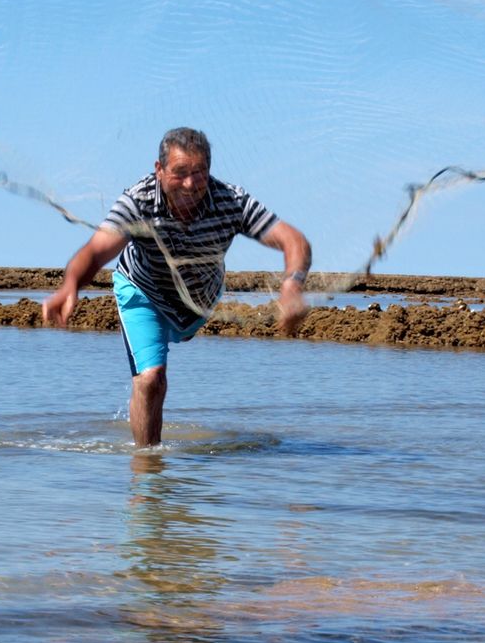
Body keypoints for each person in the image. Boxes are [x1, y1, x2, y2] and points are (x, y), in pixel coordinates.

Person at [42, 127, 311, 447]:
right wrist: (70, 285)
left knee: (160, 368)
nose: (190, 184)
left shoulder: (230, 200)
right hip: (143, 292)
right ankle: (147, 474)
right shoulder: (138, 201)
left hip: (198, 301)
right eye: (179, 173)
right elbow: (96, 251)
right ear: (159, 170)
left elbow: (292, 239)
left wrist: (292, 286)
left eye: (199, 173)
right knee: (151, 379)